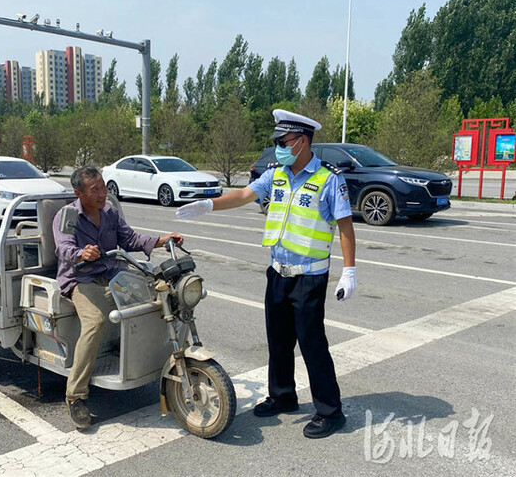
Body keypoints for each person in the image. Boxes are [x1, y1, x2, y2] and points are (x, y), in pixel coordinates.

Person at [177, 109, 357, 439]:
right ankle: (283, 395)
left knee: (312, 345)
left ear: (303, 142)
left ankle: (331, 412)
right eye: (276, 142)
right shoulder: (276, 175)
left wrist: (349, 271)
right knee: (279, 341)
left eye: (283, 141)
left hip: (309, 276)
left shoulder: (329, 179)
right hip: (278, 273)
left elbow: (345, 226)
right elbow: (244, 195)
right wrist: (209, 205)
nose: (278, 147)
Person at [53, 166, 184, 430]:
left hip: (113, 273)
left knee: (159, 299)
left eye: (103, 187)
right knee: (95, 322)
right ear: (79, 193)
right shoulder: (66, 215)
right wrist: (81, 254)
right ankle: (76, 396)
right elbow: (63, 247)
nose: (102, 194)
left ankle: (153, 362)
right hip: (81, 280)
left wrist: (162, 239)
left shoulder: (110, 212)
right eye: (95, 190)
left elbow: (131, 239)